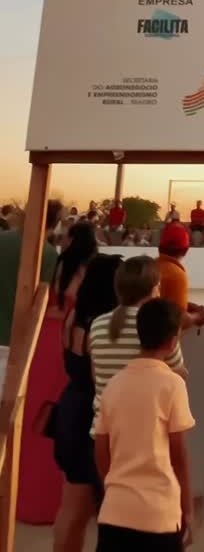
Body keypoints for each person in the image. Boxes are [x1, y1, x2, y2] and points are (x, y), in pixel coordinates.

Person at [94, 299, 195, 552]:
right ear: (173, 342)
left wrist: (113, 486)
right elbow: (179, 455)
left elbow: (101, 448)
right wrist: (188, 509)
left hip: (115, 513)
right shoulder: (173, 385)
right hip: (159, 515)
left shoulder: (114, 384)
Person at [17, 220, 98, 524]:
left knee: (36, 417)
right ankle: (55, 502)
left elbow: (47, 303)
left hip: (44, 341)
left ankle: (26, 500)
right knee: (64, 422)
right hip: (69, 344)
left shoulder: (58, 264)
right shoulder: (90, 269)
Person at [53, 254, 122, 552]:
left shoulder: (74, 316)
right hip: (94, 415)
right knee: (104, 512)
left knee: (72, 507)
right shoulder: (105, 327)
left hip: (71, 407)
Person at [89, 256, 187, 428]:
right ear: (155, 289)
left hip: (105, 427)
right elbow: (178, 374)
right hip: (145, 427)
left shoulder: (97, 324)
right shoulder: (160, 324)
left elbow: (96, 375)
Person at [0, 199, 61, 346]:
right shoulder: (48, 253)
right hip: (15, 336)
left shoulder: (3, 239)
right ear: (55, 224)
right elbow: (42, 299)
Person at [157, 222, 204, 331]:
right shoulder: (177, 275)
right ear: (185, 250)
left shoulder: (150, 267)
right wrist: (198, 316)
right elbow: (178, 320)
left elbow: (160, 304)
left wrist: (186, 304)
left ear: (160, 247)